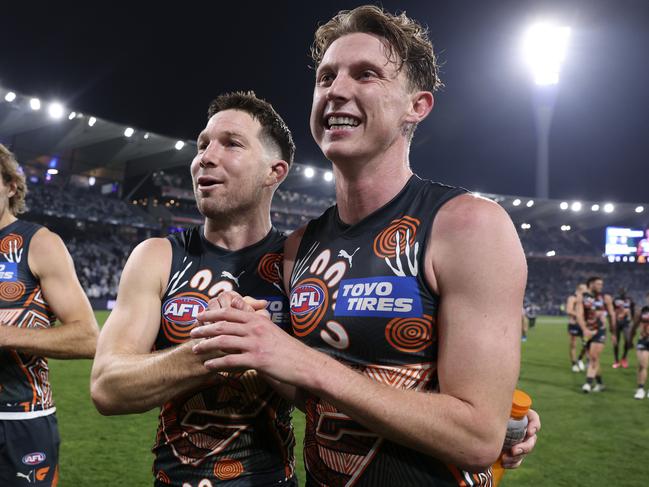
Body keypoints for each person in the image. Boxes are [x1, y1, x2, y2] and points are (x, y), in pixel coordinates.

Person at [191, 6, 540, 485]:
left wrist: (308, 364)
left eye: (366, 74)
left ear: (416, 106)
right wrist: (257, 344)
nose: (336, 90)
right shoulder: (297, 248)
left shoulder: (468, 226)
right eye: (326, 76)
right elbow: (309, 391)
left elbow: (477, 437)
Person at [90, 92, 298, 486]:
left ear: (275, 172)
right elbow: (106, 386)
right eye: (202, 144)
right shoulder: (156, 256)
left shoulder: (298, 262)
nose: (206, 155)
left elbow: (331, 393)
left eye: (231, 143)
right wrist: (211, 349)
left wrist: (265, 347)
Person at [0, 144, 99, 486]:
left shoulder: (38, 242)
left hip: (20, 421)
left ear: (11, 186)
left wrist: (5, 335)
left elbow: (88, 337)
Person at [577, 276, 616, 393]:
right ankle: (599, 383)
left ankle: (588, 384)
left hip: (600, 331)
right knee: (592, 358)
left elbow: (612, 315)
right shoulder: (582, 297)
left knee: (593, 356)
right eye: (598, 284)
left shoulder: (605, 298)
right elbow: (579, 314)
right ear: (591, 284)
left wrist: (613, 333)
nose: (601, 286)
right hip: (587, 331)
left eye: (601, 284)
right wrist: (584, 329)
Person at [632, 292, 649, 399]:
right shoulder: (642, 311)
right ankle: (640, 389)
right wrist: (629, 340)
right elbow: (634, 326)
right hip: (643, 341)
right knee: (642, 364)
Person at [567, 283, 587, 372]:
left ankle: (579, 359)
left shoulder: (586, 299)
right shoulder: (572, 298)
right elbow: (569, 310)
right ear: (579, 289)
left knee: (586, 344)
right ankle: (574, 364)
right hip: (574, 324)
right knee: (573, 344)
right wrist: (579, 316)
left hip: (584, 325)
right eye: (584, 289)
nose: (586, 290)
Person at [612, 287, 634, 369]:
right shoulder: (615, 300)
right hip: (617, 323)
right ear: (619, 292)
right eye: (621, 291)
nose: (623, 293)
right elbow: (612, 311)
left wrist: (632, 320)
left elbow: (632, 310)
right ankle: (616, 360)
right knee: (616, 342)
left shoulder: (630, 300)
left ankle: (624, 358)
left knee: (628, 340)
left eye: (624, 291)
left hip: (626, 323)